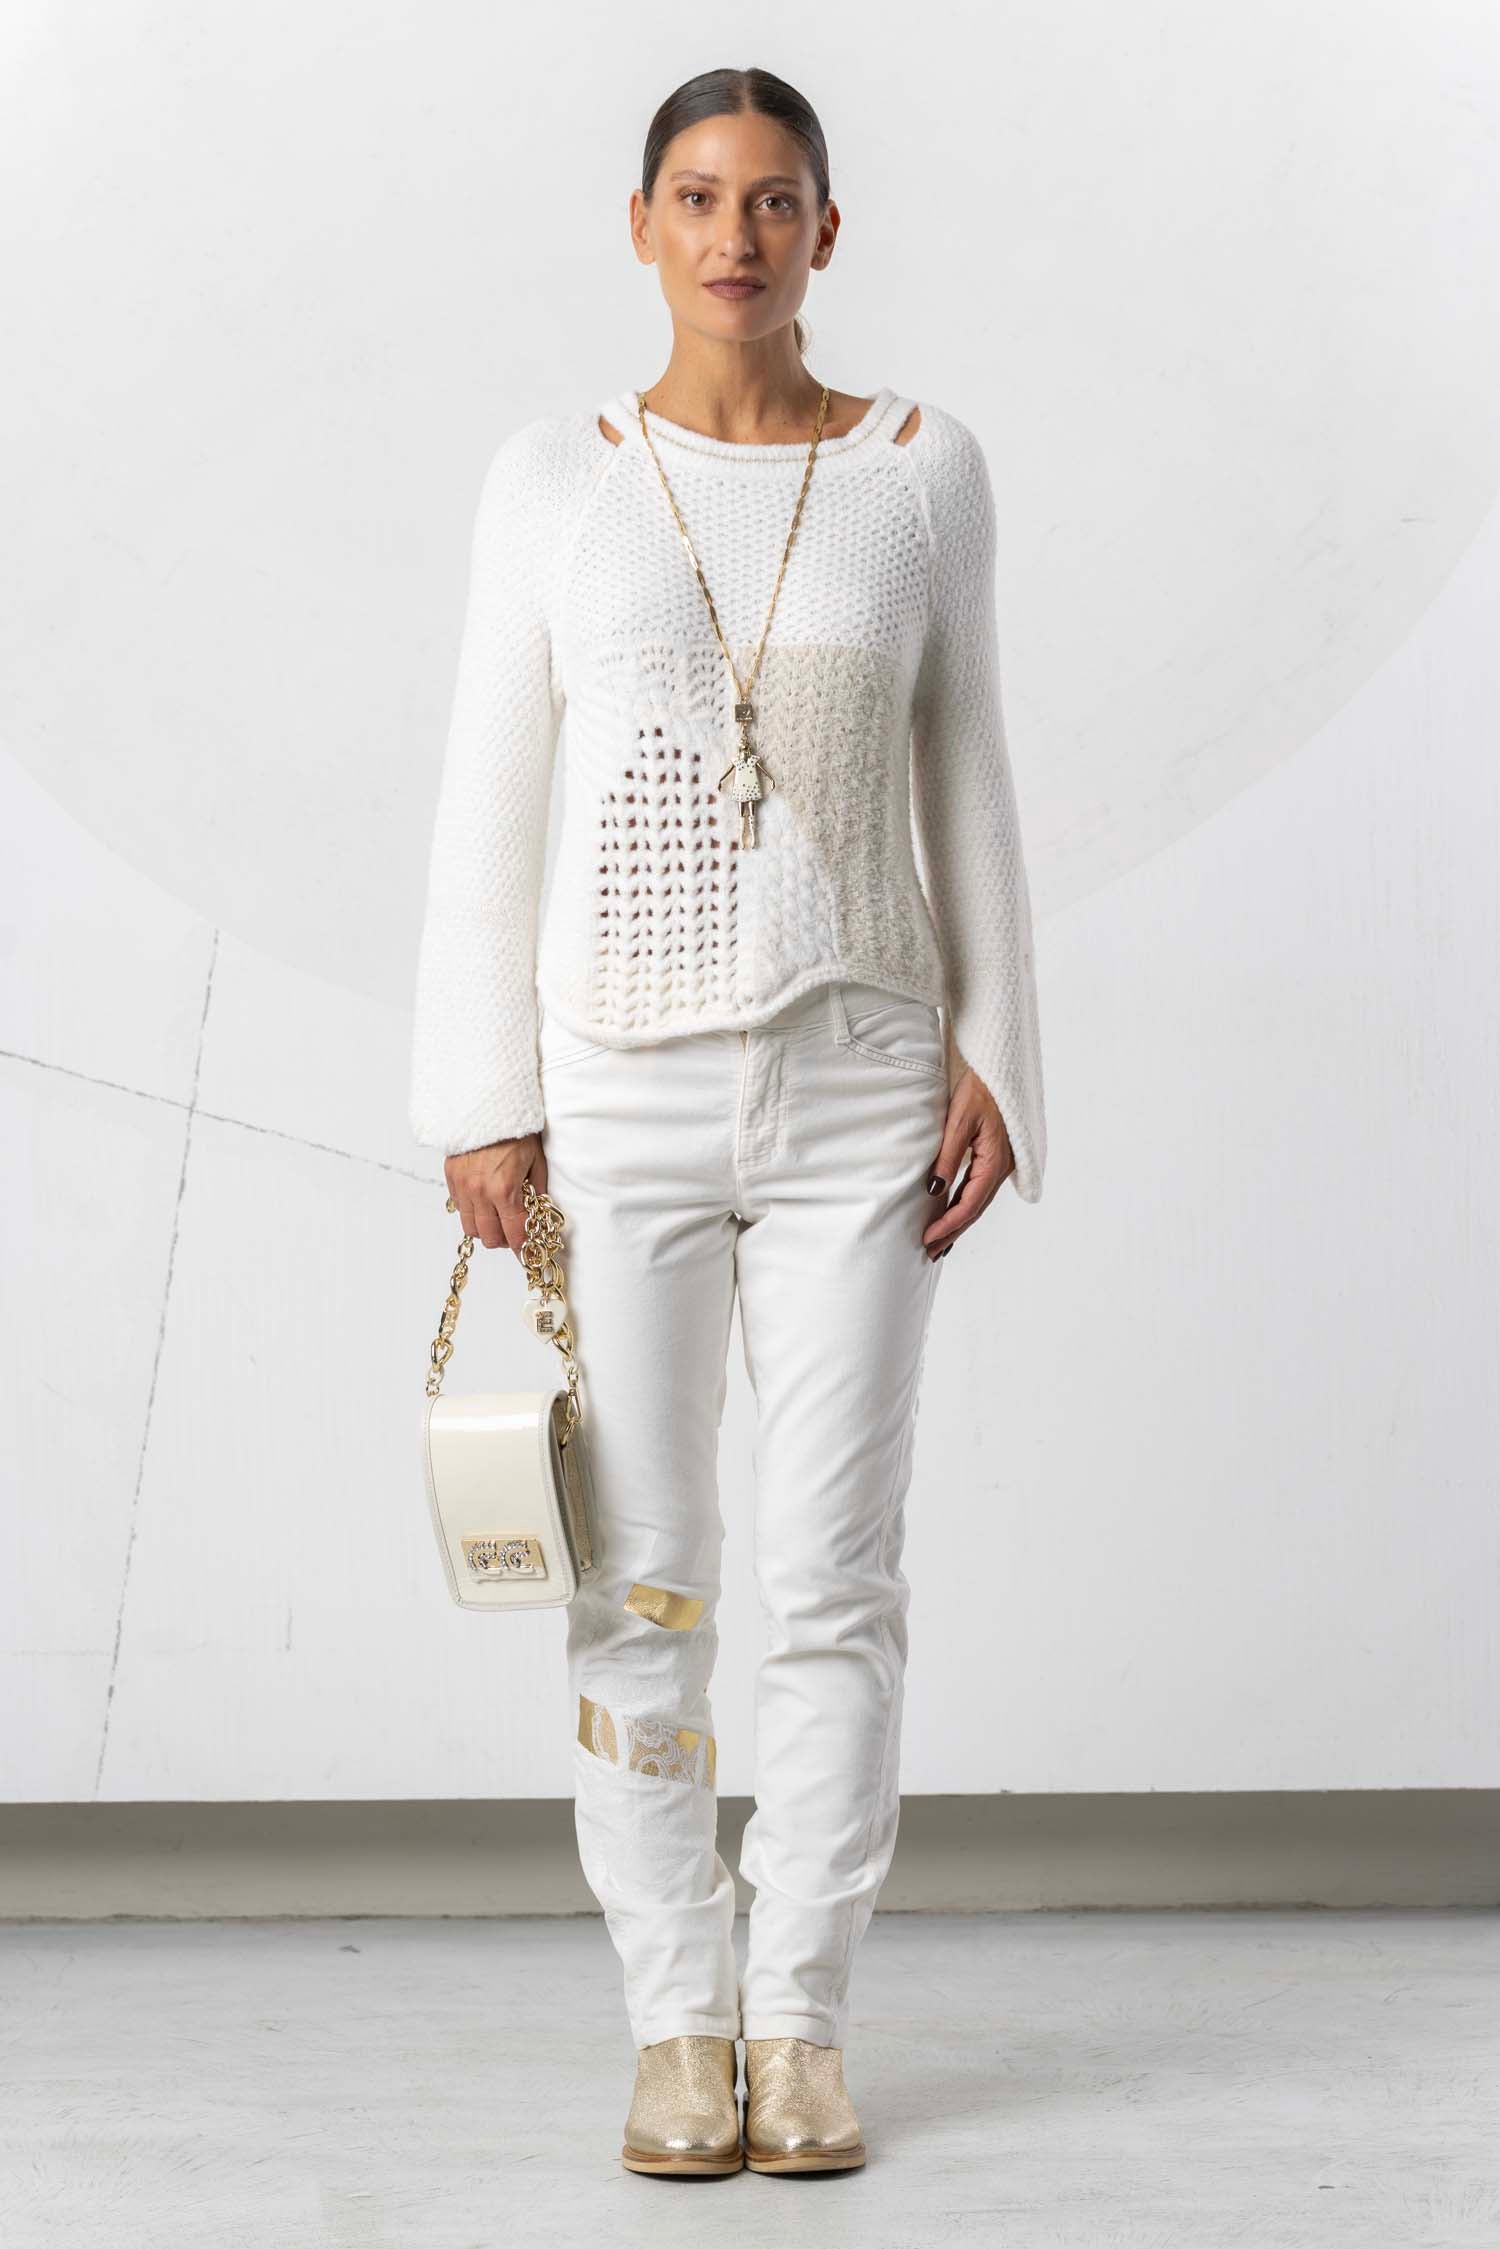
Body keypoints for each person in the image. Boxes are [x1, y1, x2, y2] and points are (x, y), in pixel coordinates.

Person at [408, 63, 1046, 2179]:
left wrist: (1001, 1046)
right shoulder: (553, 482)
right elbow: (489, 806)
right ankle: (679, 2020)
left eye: (775, 201)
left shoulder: (922, 473)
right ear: (641, 225)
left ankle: (804, 2023)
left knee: (838, 1570)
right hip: (619, 1092)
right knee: (649, 1581)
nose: (735, 237)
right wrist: (484, 1099)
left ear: (827, 232)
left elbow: (970, 767)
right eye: (697, 197)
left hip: (865, 1082)